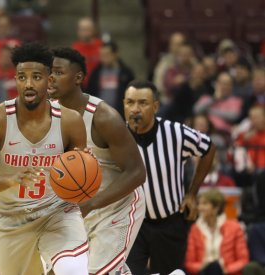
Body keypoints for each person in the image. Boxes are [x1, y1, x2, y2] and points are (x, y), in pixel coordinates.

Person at [0, 42, 89, 275]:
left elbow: (80, 185)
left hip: (56, 212)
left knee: (73, 270)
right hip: (10, 220)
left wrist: (85, 170)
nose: (28, 84)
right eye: (22, 77)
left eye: (36, 77)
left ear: (49, 80)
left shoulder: (70, 121)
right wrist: (10, 180)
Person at [49, 47, 146, 275]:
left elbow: (137, 172)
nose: (50, 78)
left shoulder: (103, 117)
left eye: (58, 72)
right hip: (76, 207)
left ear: (78, 78)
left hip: (117, 205)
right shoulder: (47, 115)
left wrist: (91, 204)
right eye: (48, 72)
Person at [123, 80, 216, 275]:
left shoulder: (176, 132)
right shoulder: (117, 135)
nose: (135, 109)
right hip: (132, 224)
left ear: (155, 106)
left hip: (169, 222)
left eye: (142, 103)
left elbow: (208, 147)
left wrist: (192, 194)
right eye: (130, 102)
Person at [185, 189, 249, 275]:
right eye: (199, 204)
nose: (200, 207)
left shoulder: (234, 227)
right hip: (203, 272)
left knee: (216, 267)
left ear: (216, 208)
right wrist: (202, 266)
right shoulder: (195, 229)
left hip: (226, 272)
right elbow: (189, 263)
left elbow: (243, 259)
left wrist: (227, 269)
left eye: (205, 204)